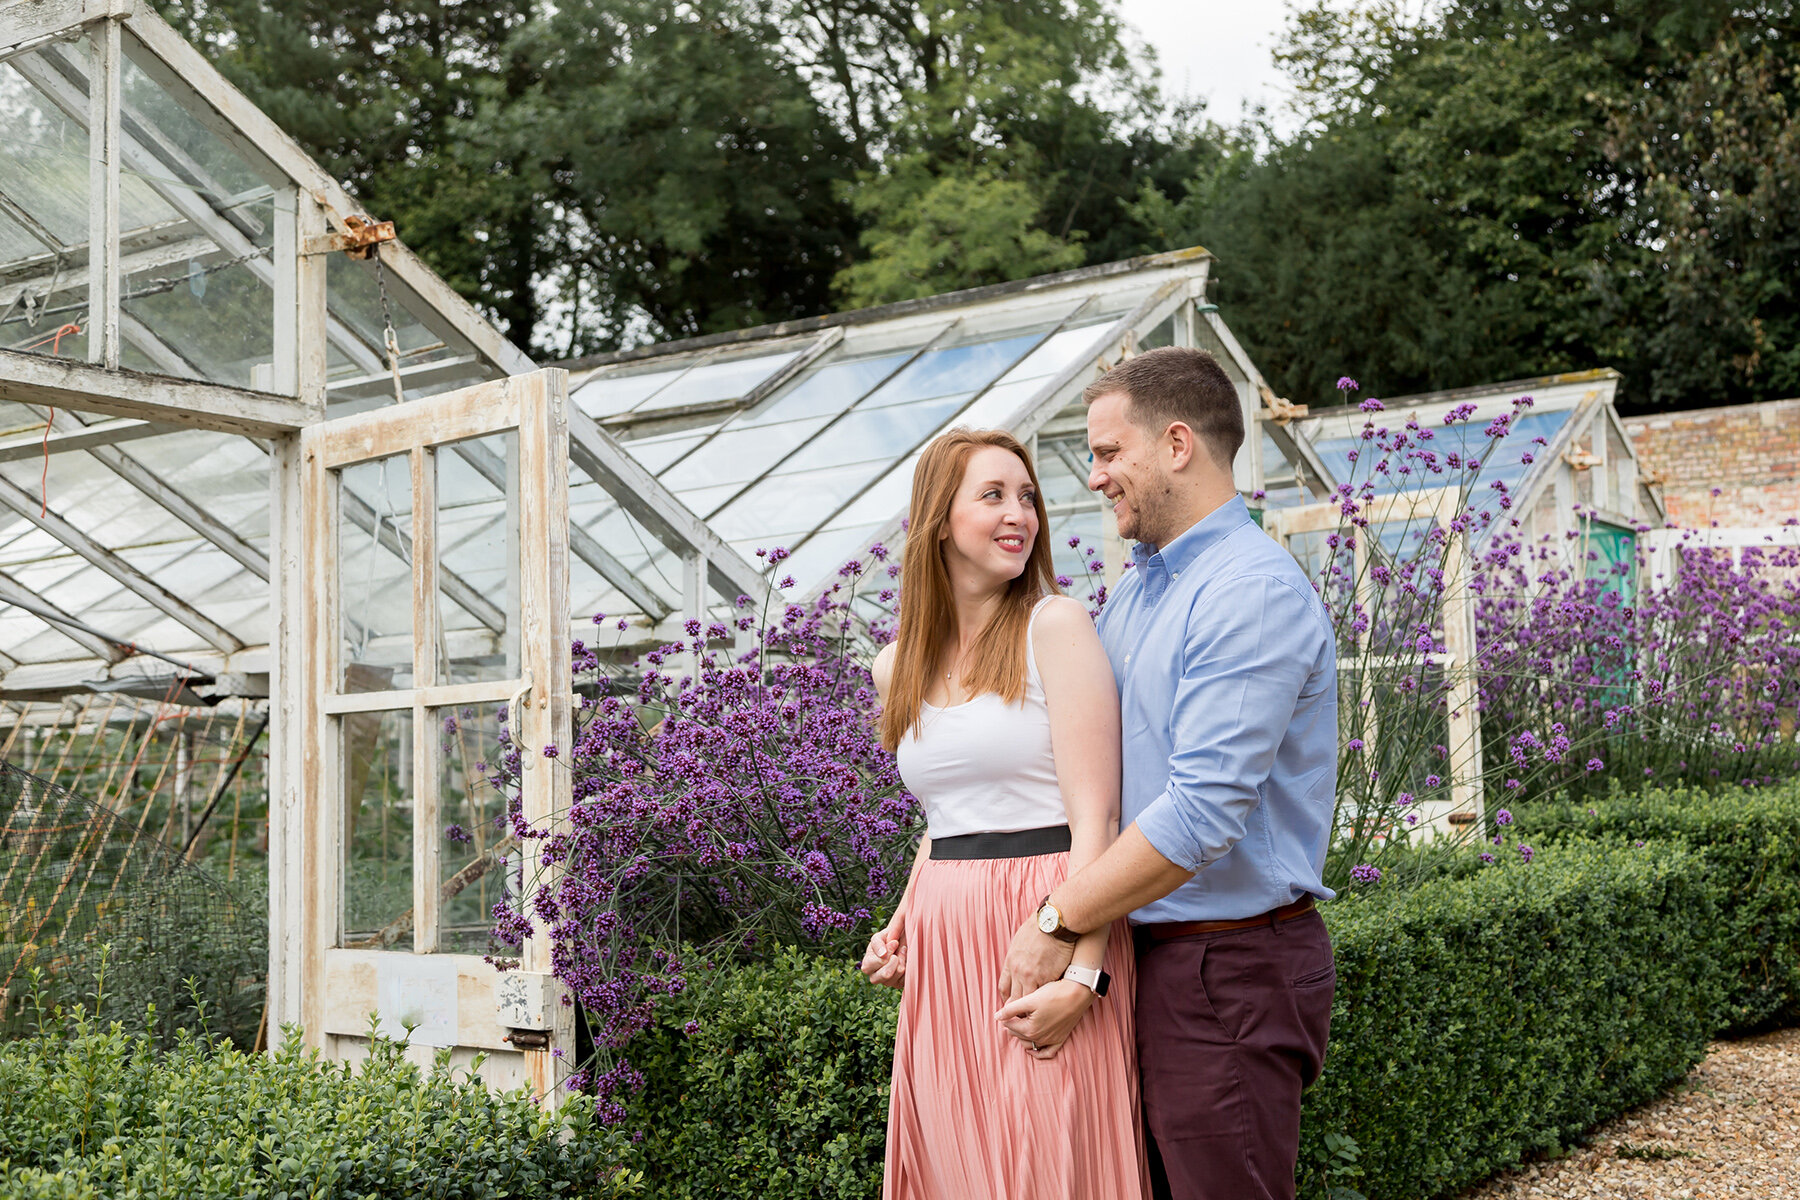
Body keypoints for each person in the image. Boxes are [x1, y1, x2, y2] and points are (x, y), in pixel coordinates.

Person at [998, 347, 1339, 1200]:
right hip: (1147, 959)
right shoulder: (1140, 591)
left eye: (1110, 453)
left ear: (1177, 444)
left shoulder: (1247, 592)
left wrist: (1057, 916)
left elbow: (1200, 814)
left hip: (1227, 971)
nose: (1097, 475)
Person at [861, 427, 1148, 1200]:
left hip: (1047, 926)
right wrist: (901, 927)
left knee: (1049, 1163)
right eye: (993, 495)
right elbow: (944, 819)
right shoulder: (896, 665)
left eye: (1026, 497)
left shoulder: (1055, 625)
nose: (1019, 513)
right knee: (960, 1165)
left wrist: (1084, 977)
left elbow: (1100, 817)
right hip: (946, 950)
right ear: (939, 520)